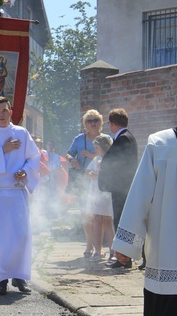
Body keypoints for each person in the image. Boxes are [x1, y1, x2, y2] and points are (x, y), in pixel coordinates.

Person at [0, 97, 40, 295]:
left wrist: (25, 171)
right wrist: (3, 150)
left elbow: (33, 158)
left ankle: (19, 276)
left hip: (17, 190)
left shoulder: (22, 132)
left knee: (20, 235)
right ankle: (1, 279)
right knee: (0, 237)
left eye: (4, 110)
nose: (1, 114)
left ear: (11, 111)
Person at [111, 126, 177, 315]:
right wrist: (126, 244)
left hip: (168, 256)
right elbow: (140, 196)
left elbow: (139, 198)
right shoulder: (160, 144)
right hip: (168, 257)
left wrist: (126, 245)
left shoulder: (161, 143)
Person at [66, 109, 109, 259]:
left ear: (100, 122)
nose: (93, 124)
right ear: (85, 124)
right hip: (83, 181)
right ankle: (89, 245)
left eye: (95, 120)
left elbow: (111, 156)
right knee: (85, 215)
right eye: (89, 121)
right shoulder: (79, 139)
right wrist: (73, 160)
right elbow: (69, 153)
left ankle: (99, 247)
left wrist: (91, 155)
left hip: (100, 182)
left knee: (99, 215)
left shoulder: (106, 138)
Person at [98, 108, 138, 269]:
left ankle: (124, 259)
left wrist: (103, 164)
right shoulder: (129, 137)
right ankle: (124, 258)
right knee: (122, 222)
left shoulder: (122, 139)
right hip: (124, 186)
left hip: (121, 187)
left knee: (121, 222)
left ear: (112, 124)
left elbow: (112, 161)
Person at [85, 135, 114, 261]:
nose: (96, 150)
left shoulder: (110, 159)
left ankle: (113, 251)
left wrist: (99, 173)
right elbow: (87, 173)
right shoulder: (96, 159)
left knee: (107, 221)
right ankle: (98, 250)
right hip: (95, 193)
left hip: (106, 193)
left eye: (98, 147)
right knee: (96, 220)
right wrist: (92, 174)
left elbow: (112, 174)